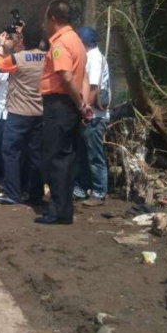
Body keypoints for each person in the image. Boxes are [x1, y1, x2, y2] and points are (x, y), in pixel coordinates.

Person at [35, 0, 91, 225]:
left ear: (53, 19)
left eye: (46, 19)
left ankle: (57, 211)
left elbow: (66, 77)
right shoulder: (77, 41)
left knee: (55, 158)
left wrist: (79, 104)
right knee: (67, 158)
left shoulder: (59, 43)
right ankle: (64, 209)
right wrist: (83, 103)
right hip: (71, 105)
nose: (45, 24)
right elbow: (83, 76)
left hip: (60, 104)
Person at [0, 23, 47, 205]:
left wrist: (0, 45)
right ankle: (35, 194)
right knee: (35, 155)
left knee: (11, 152)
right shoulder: (47, 58)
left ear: (22, 39)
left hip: (18, 113)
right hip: (39, 113)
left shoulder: (17, 59)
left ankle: (13, 193)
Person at [74, 26, 111, 207]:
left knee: (95, 155)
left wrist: (85, 108)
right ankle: (81, 187)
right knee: (83, 152)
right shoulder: (91, 57)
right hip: (90, 114)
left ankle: (99, 191)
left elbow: (94, 87)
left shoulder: (95, 59)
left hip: (95, 115)